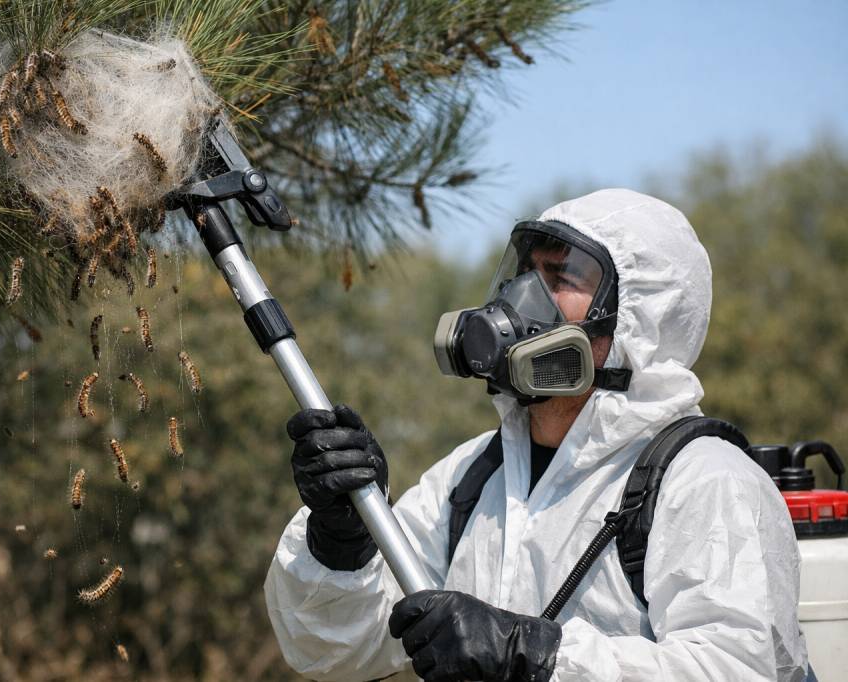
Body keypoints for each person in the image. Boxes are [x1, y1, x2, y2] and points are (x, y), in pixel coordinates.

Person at [264, 189, 809, 681]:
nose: (524, 299)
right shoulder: (473, 476)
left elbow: (737, 668)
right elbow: (335, 652)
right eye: (527, 274)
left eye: (563, 279)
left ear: (637, 322)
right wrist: (341, 542)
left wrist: (534, 657)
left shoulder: (705, 479)